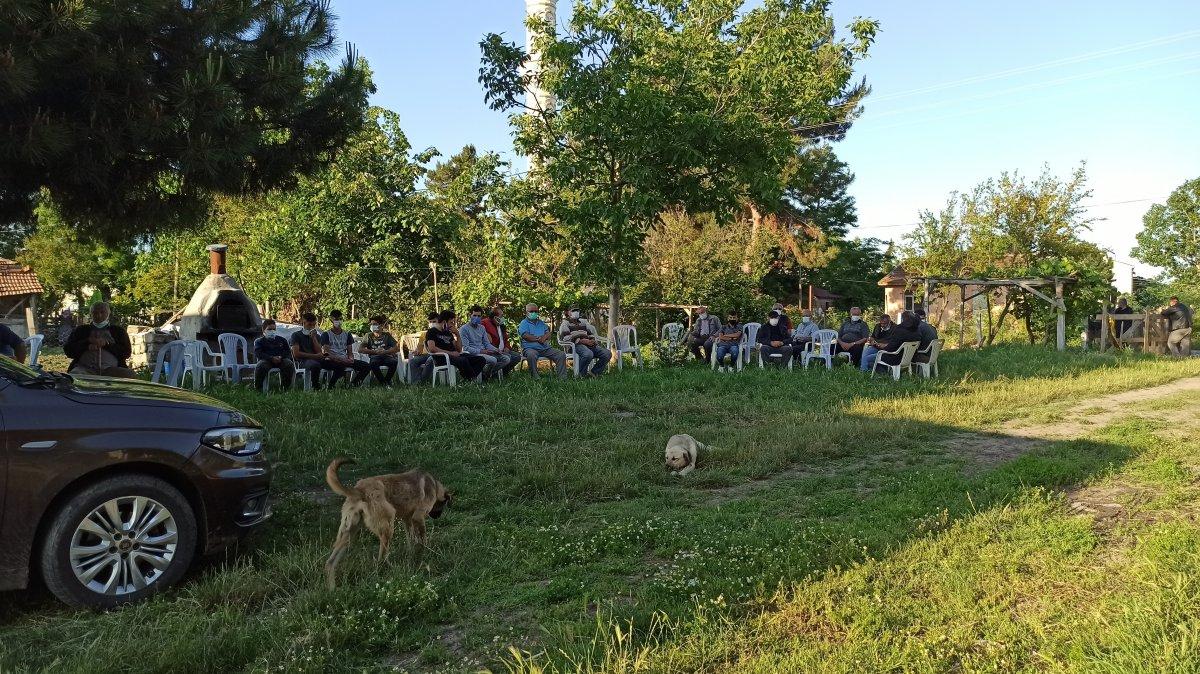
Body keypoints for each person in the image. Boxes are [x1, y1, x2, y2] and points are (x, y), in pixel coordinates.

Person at [63, 302, 135, 377]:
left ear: (108, 313)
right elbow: (68, 350)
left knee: (130, 375)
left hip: (111, 369)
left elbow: (126, 353)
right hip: (84, 368)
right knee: (74, 376)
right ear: (91, 314)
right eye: (95, 312)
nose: (99, 315)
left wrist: (107, 344)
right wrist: (87, 344)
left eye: (102, 312)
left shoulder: (118, 331)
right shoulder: (80, 330)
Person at [426, 310, 485, 381]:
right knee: (463, 360)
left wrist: (457, 334)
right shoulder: (431, 331)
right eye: (451, 322)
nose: (452, 324)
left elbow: (459, 349)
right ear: (444, 321)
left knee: (481, 359)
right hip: (442, 357)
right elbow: (432, 348)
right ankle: (471, 379)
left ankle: (468, 379)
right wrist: (451, 353)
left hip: (454, 356)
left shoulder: (448, 332)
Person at [460, 305, 514, 380]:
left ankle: (486, 373)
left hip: (485, 352)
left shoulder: (482, 328)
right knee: (493, 360)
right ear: (470, 315)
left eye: (479, 316)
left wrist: (495, 349)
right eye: (474, 315)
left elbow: (487, 344)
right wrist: (481, 351)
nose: (476, 318)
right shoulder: (464, 329)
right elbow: (466, 348)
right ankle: (484, 375)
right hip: (474, 353)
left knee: (506, 358)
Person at [320, 310, 370, 387]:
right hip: (330, 360)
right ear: (331, 320)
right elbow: (327, 352)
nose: (338, 321)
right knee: (340, 366)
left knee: (366, 366)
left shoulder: (347, 334)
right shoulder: (326, 334)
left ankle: (354, 385)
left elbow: (350, 352)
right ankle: (331, 386)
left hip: (344, 359)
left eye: (339, 319)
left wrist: (351, 359)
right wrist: (341, 359)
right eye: (335, 319)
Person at [557, 305, 611, 376]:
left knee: (607, 353)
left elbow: (590, 334)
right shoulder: (565, 324)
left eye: (577, 310)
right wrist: (580, 341)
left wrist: (592, 340)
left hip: (588, 345)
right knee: (588, 354)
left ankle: (595, 372)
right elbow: (566, 338)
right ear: (568, 312)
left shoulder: (584, 322)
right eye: (573, 311)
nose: (576, 312)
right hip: (575, 346)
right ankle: (580, 374)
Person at [518, 303, 566, 378]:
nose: (534, 313)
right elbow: (525, 335)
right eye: (531, 311)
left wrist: (544, 337)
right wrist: (538, 339)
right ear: (526, 312)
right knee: (531, 355)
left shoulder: (541, 322)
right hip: (530, 348)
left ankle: (562, 377)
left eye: (535, 311)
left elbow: (548, 333)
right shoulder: (524, 323)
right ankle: (535, 376)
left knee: (561, 354)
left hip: (545, 348)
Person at [252, 319, 295, 391]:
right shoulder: (259, 341)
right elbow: (258, 353)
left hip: (281, 360)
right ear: (264, 330)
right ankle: (258, 389)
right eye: (269, 329)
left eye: (274, 329)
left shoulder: (282, 340)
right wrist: (271, 358)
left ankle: (285, 389)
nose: (272, 331)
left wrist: (280, 357)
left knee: (289, 364)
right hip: (267, 360)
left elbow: (288, 352)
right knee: (260, 365)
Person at [359, 315, 401, 386]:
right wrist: (374, 352)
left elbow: (397, 348)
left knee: (394, 362)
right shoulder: (368, 335)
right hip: (374, 356)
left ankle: (386, 381)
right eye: (371, 324)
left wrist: (386, 352)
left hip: (386, 356)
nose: (372, 326)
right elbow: (360, 349)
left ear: (381, 325)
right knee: (373, 364)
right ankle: (384, 384)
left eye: (374, 324)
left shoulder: (387, 335)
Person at [290, 312, 329, 389]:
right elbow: (296, 354)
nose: (311, 327)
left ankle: (330, 384)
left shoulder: (317, 336)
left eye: (314, 325)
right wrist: (314, 356)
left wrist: (314, 338)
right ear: (303, 323)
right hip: (303, 361)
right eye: (309, 325)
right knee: (315, 365)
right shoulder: (296, 335)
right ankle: (315, 386)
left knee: (332, 362)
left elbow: (319, 352)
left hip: (316, 359)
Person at [482, 304, 520, 377]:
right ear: (495, 317)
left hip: (503, 350)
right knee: (507, 357)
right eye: (501, 316)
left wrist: (507, 347)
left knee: (517, 356)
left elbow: (505, 339)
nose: (503, 318)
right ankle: (488, 374)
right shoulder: (485, 323)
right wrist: (486, 333)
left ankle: (503, 373)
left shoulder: (501, 325)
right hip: (493, 350)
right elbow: (480, 331)